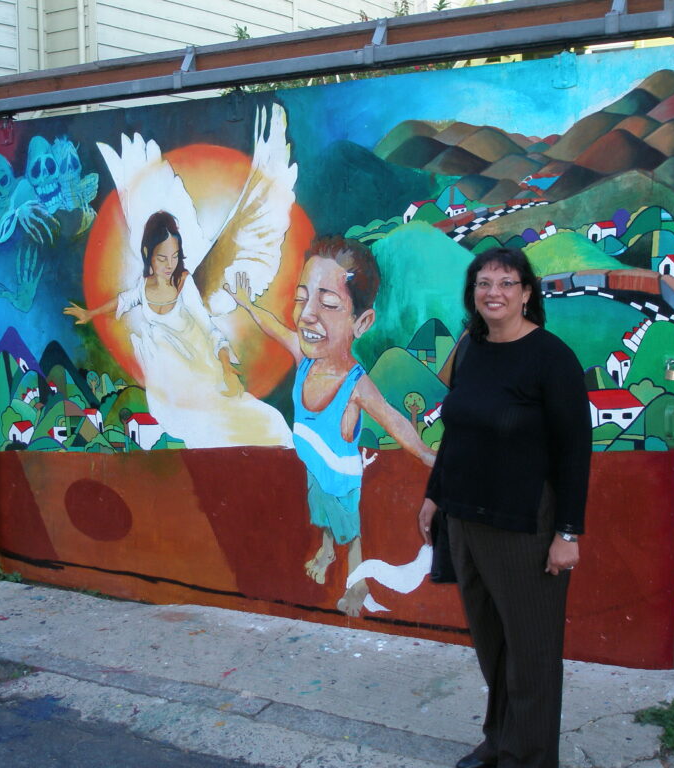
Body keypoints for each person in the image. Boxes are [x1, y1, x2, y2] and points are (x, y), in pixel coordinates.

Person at [418, 247, 591, 768]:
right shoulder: (471, 348)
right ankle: (500, 742)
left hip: (525, 527)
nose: (494, 292)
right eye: (484, 283)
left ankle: (530, 758)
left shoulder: (550, 357)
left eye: (507, 282)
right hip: (467, 520)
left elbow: (574, 451)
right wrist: (434, 494)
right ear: (474, 293)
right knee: (493, 647)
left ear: (526, 293)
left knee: (532, 654)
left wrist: (568, 532)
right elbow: (457, 434)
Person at [228, 236, 436, 617]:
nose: (307, 314)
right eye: (302, 297)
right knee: (320, 515)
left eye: (327, 304)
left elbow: (391, 418)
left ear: (362, 322)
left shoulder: (354, 384)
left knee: (349, 532)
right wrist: (247, 305)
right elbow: (274, 326)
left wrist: (425, 453)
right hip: (314, 466)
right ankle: (325, 550)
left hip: (341, 478)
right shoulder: (304, 358)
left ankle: (355, 587)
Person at [63, 210, 292, 449]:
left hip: (197, 373)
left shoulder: (184, 284)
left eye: (174, 256)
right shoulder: (143, 287)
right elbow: (123, 301)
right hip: (167, 382)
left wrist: (226, 367)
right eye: (162, 258)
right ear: (147, 254)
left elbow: (209, 329)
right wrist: (90, 313)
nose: (169, 264)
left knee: (234, 423)